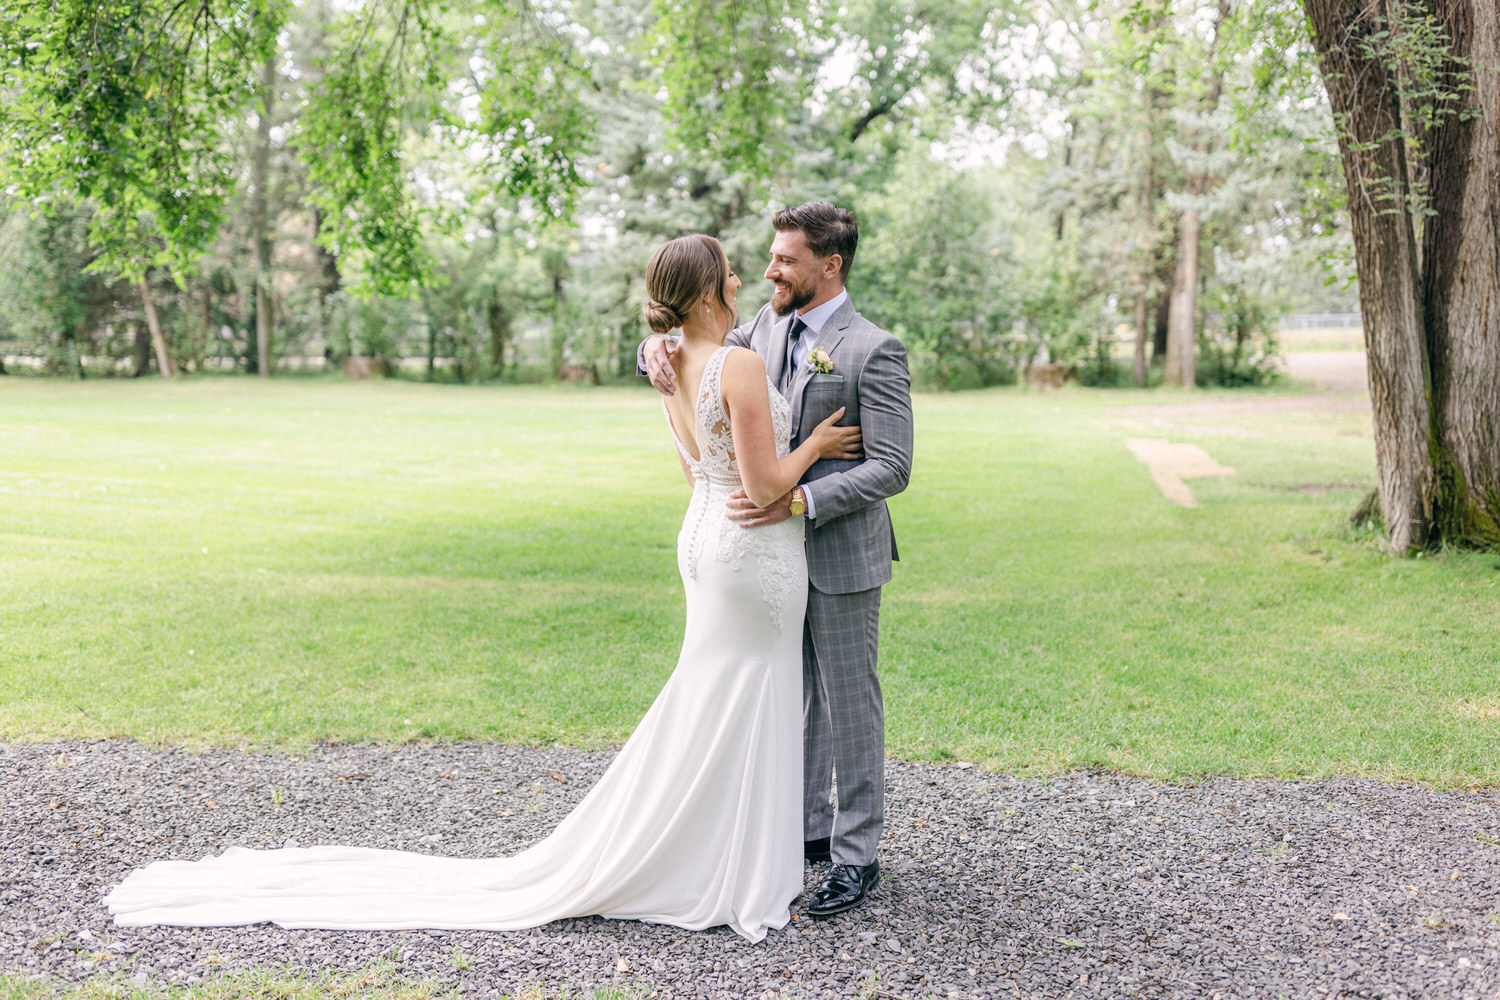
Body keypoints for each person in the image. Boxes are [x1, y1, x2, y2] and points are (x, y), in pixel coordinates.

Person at [104, 234, 861, 944]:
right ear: (703, 293)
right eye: (728, 270)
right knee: (745, 693)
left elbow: (697, 471)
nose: (740, 279)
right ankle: (724, 865)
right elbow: (762, 481)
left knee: (712, 695)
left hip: (704, 538)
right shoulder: (736, 366)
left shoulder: (676, 363)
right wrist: (817, 446)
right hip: (751, 550)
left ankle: (700, 847)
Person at [640, 202, 913, 917]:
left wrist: (802, 503)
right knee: (789, 698)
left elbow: (891, 466)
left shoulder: (872, 350)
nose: (769, 271)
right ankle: (804, 833)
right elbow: (691, 346)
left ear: (832, 265)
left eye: (786, 260)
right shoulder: (757, 329)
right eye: (768, 257)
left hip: (839, 549)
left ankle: (857, 858)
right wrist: (654, 347)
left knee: (850, 704)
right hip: (767, 559)